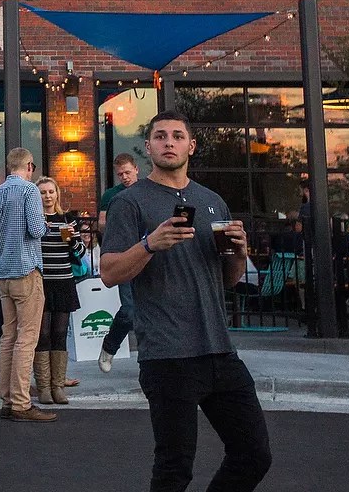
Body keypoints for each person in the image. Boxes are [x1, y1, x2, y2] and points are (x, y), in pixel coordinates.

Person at [101, 110, 272, 491]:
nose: (169, 143)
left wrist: (240, 254)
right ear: (148, 147)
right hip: (167, 354)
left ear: (191, 146)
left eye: (177, 136)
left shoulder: (211, 200)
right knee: (174, 468)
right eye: (160, 136)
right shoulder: (130, 203)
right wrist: (149, 244)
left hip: (218, 350)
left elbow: (228, 279)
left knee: (254, 453)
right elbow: (109, 272)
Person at [0, 146, 54, 422]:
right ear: (30, 166)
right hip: (26, 270)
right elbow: (36, 229)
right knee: (27, 338)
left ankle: (7, 399)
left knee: (8, 336)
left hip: (2, 272)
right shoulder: (29, 191)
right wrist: (46, 225)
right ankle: (21, 403)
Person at [34, 176, 86, 404]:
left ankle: (58, 386)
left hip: (64, 282)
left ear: (57, 194)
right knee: (42, 334)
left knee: (60, 334)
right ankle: (43, 387)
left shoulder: (67, 220)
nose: (47, 196)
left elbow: (82, 253)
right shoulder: (34, 220)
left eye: (50, 192)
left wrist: (72, 241)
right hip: (42, 283)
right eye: (43, 192)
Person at [98, 154, 141, 372]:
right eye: (120, 174)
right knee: (129, 309)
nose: (125, 177)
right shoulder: (112, 196)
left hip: (148, 254)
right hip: (124, 256)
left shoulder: (147, 191)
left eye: (127, 172)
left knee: (152, 310)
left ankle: (150, 363)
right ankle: (110, 346)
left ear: (136, 169)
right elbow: (102, 225)